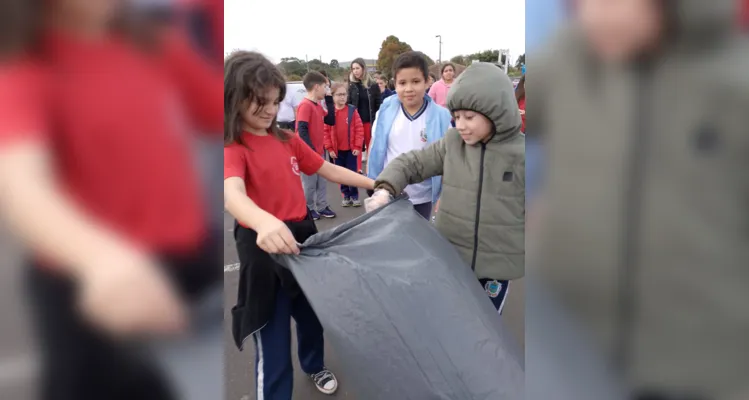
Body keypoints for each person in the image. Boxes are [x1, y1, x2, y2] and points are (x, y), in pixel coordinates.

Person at [0, 1, 224, 399]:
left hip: (184, 269)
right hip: (95, 289)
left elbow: (218, 111)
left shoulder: (152, 43)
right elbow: (21, 183)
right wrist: (99, 258)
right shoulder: (26, 63)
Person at [532, 0, 749, 399]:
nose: (596, 15)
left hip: (698, 360)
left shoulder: (732, 79)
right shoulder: (569, 58)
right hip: (576, 344)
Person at [223, 50, 375, 400]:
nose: (270, 110)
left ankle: (315, 364)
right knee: (273, 341)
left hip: (304, 242)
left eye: (275, 101)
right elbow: (232, 194)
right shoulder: (234, 147)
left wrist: (374, 182)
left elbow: (327, 169)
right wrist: (263, 222)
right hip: (264, 250)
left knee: (311, 317)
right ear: (235, 97)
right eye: (259, 101)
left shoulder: (287, 139)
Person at [366, 62, 525, 313]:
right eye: (457, 117)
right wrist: (385, 188)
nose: (460, 125)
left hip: (497, 266)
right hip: (451, 258)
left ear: (498, 112)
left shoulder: (523, 154)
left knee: (489, 328)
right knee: (450, 319)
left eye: (469, 117)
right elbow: (413, 163)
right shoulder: (452, 143)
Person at [365, 51, 452, 220]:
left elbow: (448, 158)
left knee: (416, 243)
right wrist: (372, 181)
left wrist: (444, 193)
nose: (409, 89)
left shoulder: (441, 116)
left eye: (416, 81)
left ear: (427, 82)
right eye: (402, 83)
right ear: (395, 84)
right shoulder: (386, 110)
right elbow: (374, 146)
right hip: (388, 194)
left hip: (423, 196)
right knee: (388, 241)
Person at [296, 71, 336, 220]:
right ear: (316, 87)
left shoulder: (318, 105)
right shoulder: (305, 105)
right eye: (325, 87)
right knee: (310, 183)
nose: (326, 90)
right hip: (308, 153)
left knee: (322, 181)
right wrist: (310, 151)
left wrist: (329, 99)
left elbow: (331, 120)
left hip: (319, 152)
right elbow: (302, 129)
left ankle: (322, 206)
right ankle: (309, 208)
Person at [324, 82, 365, 207]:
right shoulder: (329, 113)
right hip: (337, 151)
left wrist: (358, 146)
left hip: (351, 150)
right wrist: (329, 148)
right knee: (340, 175)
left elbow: (359, 129)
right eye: (339, 94)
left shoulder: (352, 111)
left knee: (352, 173)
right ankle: (345, 195)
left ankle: (354, 195)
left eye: (344, 94)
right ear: (333, 96)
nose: (342, 97)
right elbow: (325, 132)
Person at [347, 57, 381, 173]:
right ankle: (357, 170)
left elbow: (378, 104)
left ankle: (371, 170)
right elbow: (348, 103)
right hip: (356, 122)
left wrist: (379, 120)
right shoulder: (351, 86)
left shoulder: (373, 85)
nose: (355, 71)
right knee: (356, 147)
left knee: (371, 147)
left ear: (363, 68)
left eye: (357, 68)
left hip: (369, 121)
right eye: (353, 69)